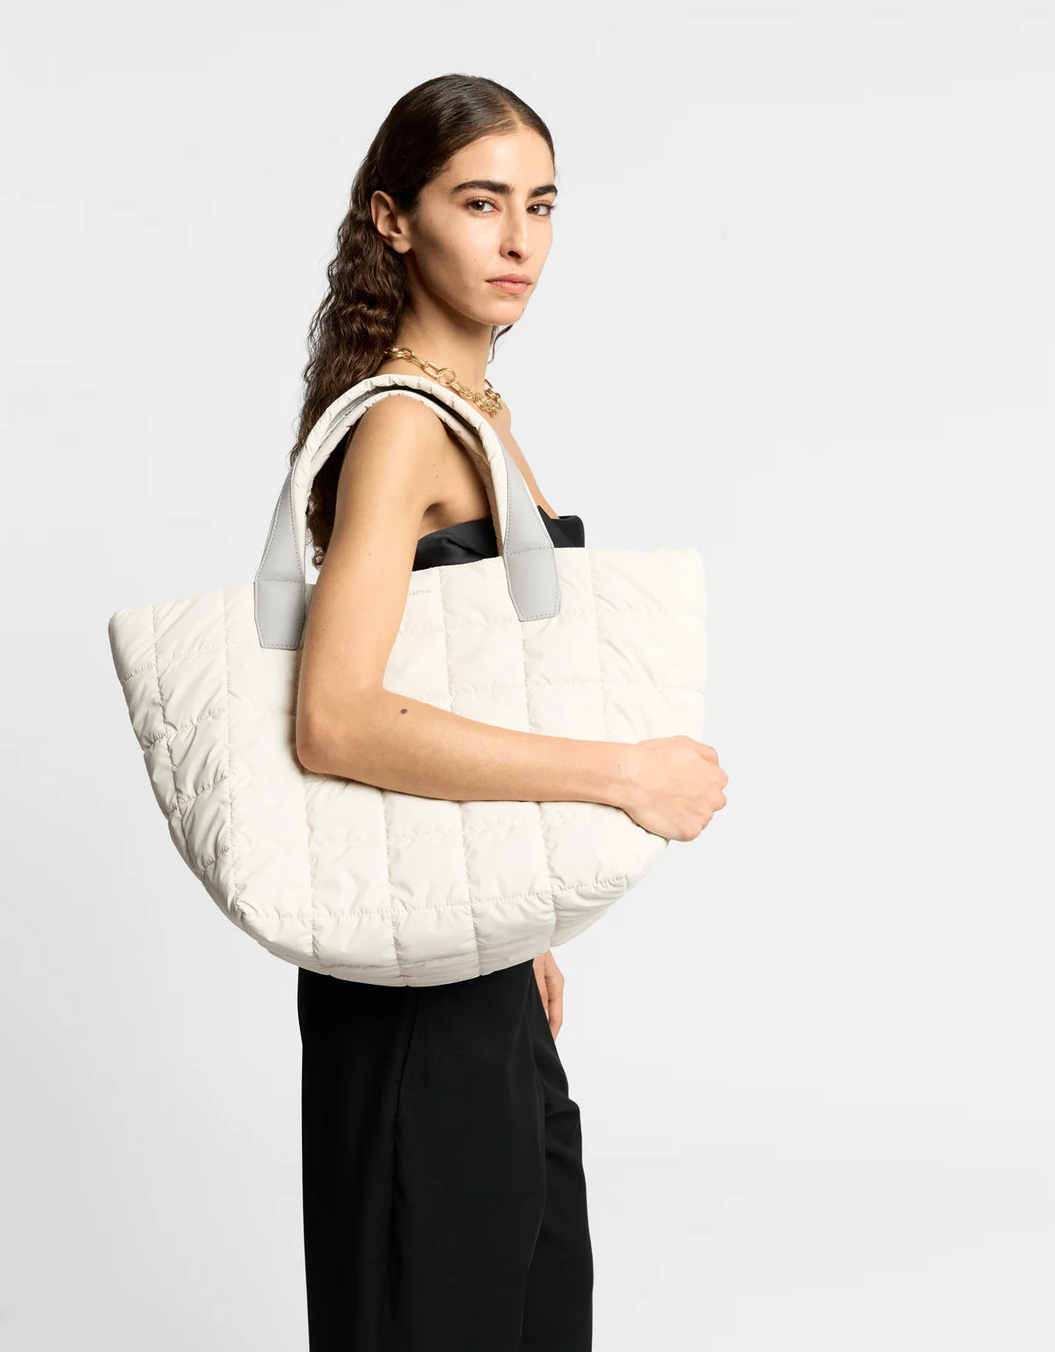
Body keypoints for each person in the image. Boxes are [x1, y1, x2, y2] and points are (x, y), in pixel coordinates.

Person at [288, 74, 728, 1352]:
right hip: (412, 990)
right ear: (393, 220)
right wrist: (620, 775)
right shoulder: (406, 429)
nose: (519, 240)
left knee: (522, 1305)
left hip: (467, 956)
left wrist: (519, 910)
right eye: (480, 203)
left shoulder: (474, 414)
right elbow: (337, 719)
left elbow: (457, 673)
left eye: (540, 204)